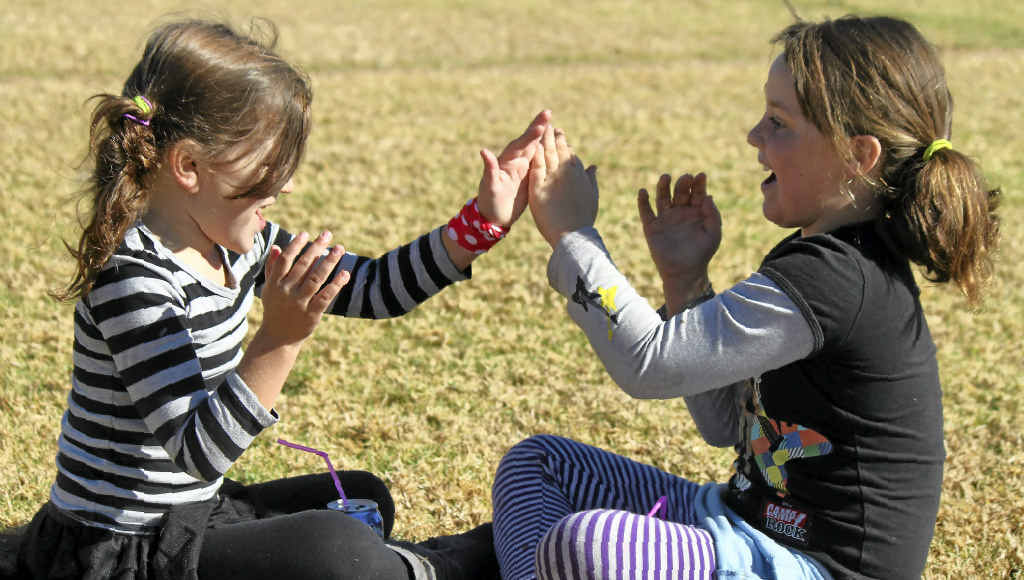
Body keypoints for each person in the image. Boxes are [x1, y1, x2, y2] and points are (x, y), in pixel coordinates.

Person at [12, 17, 550, 580]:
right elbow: (199, 452)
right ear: (190, 165)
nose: (287, 183)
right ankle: (448, 565)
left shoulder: (241, 244)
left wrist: (480, 225)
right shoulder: (134, 280)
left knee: (363, 496)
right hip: (117, 552)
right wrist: (281, 338)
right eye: (270, 163)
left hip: (190, 517)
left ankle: (432, 560)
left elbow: (372, 288)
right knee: (337, 548)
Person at [491, 15, 999, 580]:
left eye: (779, 123)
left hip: (808, 568)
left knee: (591, 545)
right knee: (537, 465)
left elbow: (649, 365)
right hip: (740, 524)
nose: (754, 137)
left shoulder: (839, 279)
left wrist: (572, 236)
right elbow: (727, 426)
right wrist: (685, 283)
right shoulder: (813, 259)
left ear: (858, 156)